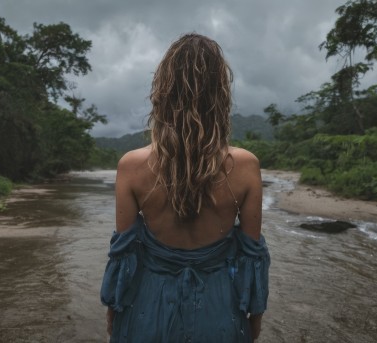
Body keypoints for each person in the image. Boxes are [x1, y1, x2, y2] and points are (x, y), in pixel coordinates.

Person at [100, 33, 270, 342]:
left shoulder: (131, 165)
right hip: (219, 314)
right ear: (220, 94)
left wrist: (113, 315)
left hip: (146, 312)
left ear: (162, 91)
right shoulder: (245, 166)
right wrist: (253, 320)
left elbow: (123, 255)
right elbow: (251, 257)